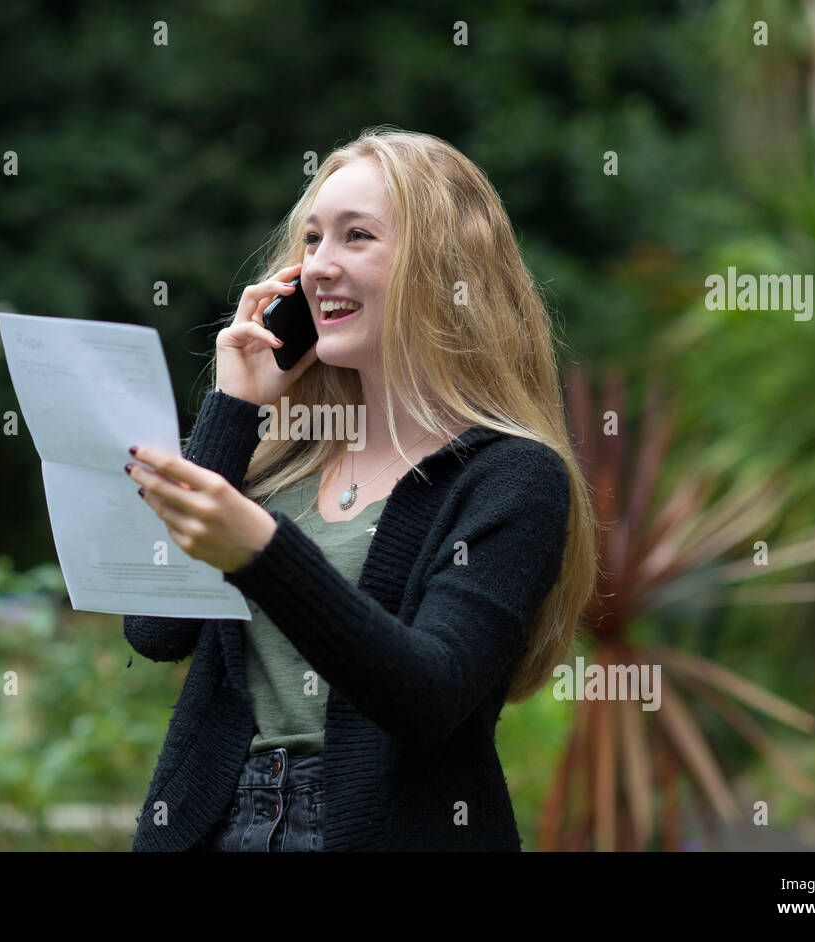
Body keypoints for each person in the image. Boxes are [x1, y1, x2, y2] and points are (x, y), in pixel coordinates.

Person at [122, 126, 598, 851]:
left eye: (357, 237)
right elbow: (155, 631)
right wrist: (233, 408)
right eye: (312, 240)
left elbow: (428, 695)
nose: (319, 266)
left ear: (442, 269)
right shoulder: (277, 461)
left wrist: (263, 551)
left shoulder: (512, 477)